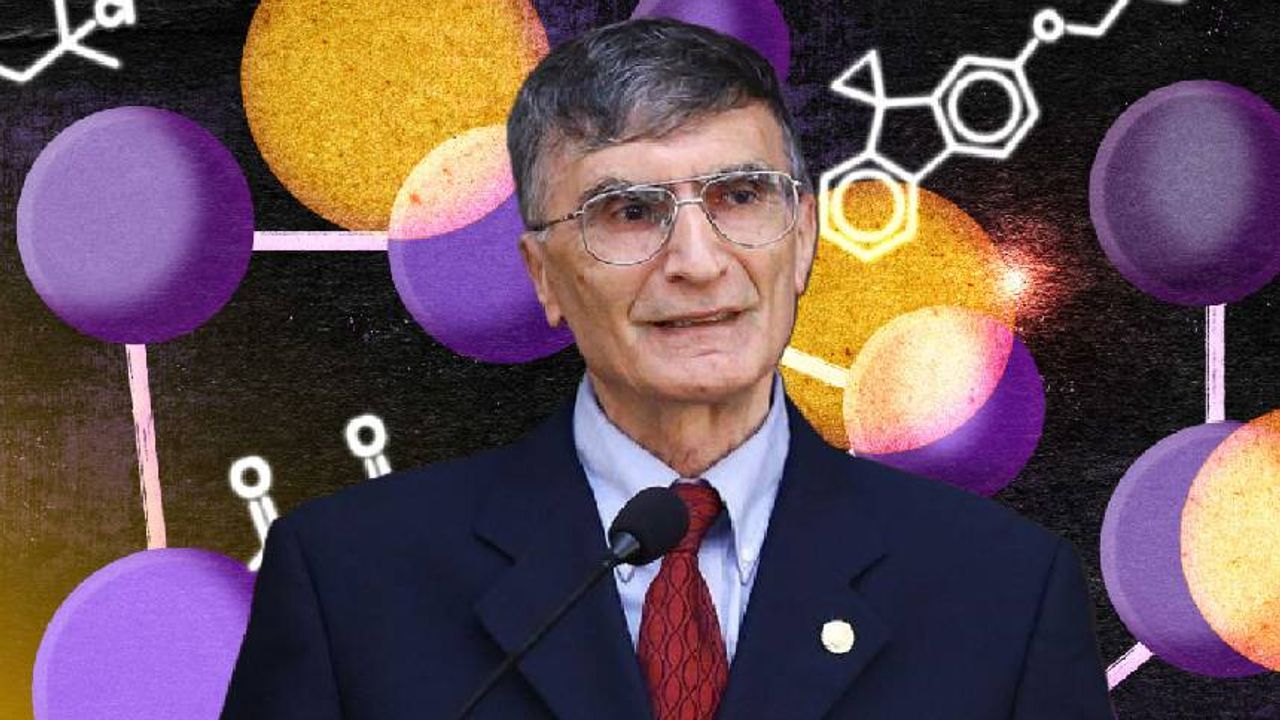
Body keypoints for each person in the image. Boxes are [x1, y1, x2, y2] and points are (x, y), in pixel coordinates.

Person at [220, 17, 1114, 720]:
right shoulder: (349, 582)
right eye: (628, 212)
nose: (697, 260)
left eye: (741, 196)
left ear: (805, 241)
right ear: (544, 277)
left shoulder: (1002, 589)